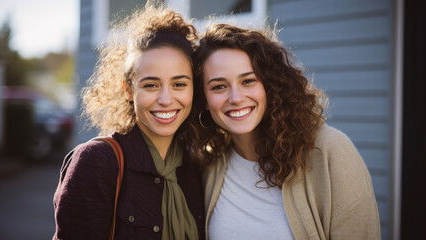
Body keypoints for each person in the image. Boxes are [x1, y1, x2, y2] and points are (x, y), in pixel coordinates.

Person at [191, 23, 381, 240]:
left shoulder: (330, 151)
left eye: (248, 81)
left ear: (269, 85)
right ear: (204, 99)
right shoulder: (208, 163)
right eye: (219, 87)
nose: (235, 97)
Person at [53, 3, 205, 240]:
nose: (166, 99)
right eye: (151, 85)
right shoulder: (97, 162)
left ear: (193, 89)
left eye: (179, 84)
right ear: (128, 90)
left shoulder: (193, 166)